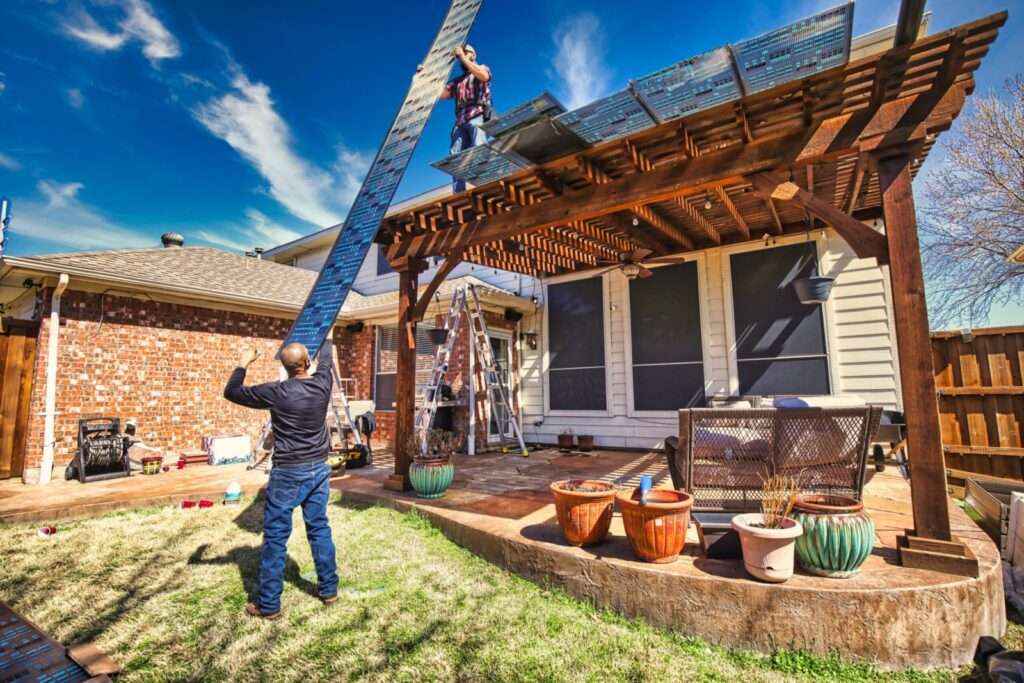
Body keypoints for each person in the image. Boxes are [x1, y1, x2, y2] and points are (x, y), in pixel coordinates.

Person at [223, 342, 338, 619]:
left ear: (285, 368)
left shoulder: (276, 392)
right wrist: (329, 338)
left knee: (275, 538)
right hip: (319, 470)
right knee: (319, 528)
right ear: (307, 362)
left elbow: (232, 392)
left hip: (288, 473)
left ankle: (269, 605)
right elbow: (326, 361)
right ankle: (329, 590)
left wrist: (243, 361)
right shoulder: (322, 384)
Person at [440, 43, 492, 192]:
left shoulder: (482, 67)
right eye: (460, 54)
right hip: (460, 120)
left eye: (465, 52)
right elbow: (442, 94)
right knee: (455, 156)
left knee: (479, 147)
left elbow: (483, 76)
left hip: (477, 115)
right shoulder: (458, 81)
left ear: (473, 55)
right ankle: (459, 193)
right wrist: (425, 79)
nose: (460, 55)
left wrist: (462, 57)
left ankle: (486, 187)